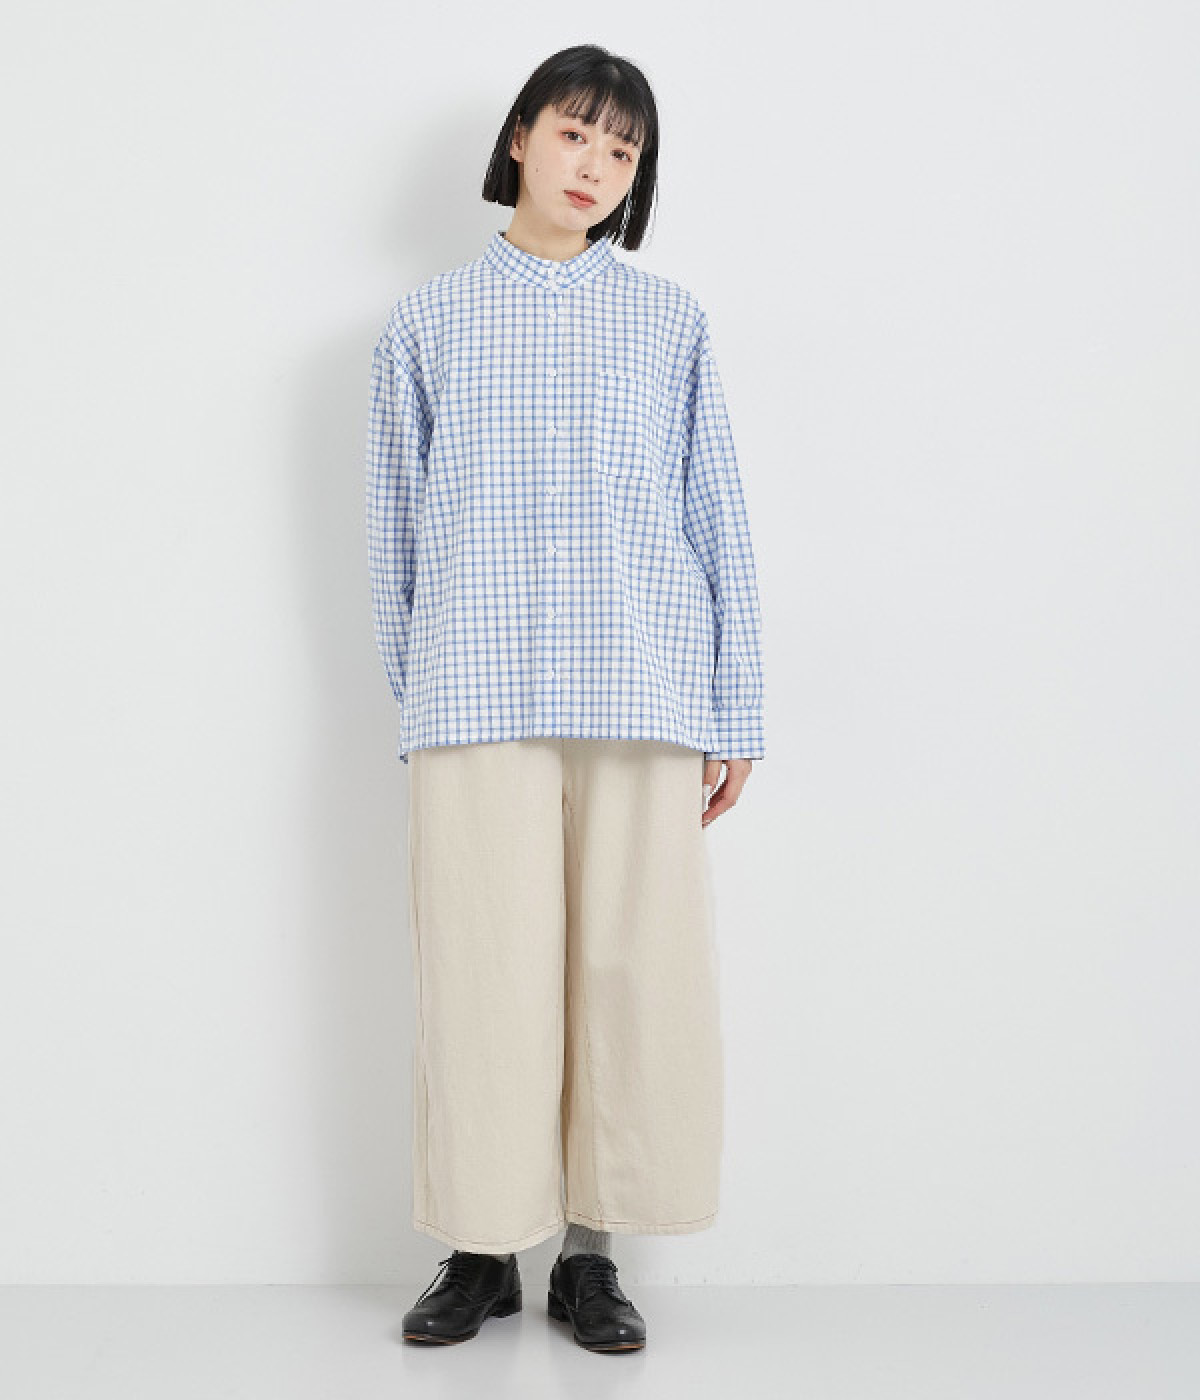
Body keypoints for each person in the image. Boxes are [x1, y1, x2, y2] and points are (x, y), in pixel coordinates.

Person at [365, 44, 765, 1353]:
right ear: (521, 137)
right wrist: (421, 693)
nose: (595, 166)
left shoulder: (670, 323)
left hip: (642, 687)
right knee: (484, 971)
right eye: (576, 134)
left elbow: (717, 518)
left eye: (623, 150)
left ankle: (594, 1255)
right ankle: (483, 1248)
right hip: (474, 694)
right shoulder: (427, 323)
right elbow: (394, 531)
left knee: (632, 972)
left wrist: (734, 712)